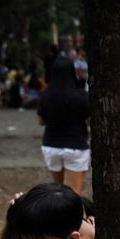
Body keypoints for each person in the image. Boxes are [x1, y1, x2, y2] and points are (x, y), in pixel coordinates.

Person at [37, 54, 92, 196]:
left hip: (51, 146)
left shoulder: (46, 95)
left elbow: (41, 121)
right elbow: (89, 118)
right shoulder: (81, 96)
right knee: (72, 195)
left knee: (58, 192)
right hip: (75, 146)